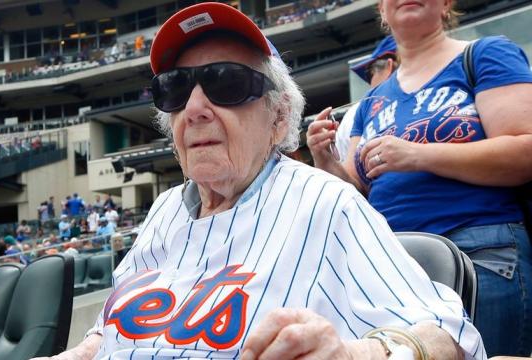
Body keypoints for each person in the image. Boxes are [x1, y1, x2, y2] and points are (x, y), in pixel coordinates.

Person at [33, 3, 483, 360]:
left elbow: (449, 334)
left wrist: (356, 353)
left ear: (279, 117)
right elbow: (111, 331)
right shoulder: (164, 210)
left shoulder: (324, 203)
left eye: (226, 83)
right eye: (174, 87)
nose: (195, 108)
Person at [307, 0, 532, 356]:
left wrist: (419, 155)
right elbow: (358, 191)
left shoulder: (486, 55)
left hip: (480, 253)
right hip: (392, 268)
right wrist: (325, 161)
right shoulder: (371, 101)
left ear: (446, 4)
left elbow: (525, 151)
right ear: (382, 12)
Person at [333, 35, 398, 160]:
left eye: (370, 74)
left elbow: (344, 173)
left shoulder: (357, 111)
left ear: (388, 67)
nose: (369, 83)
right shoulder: (436, 95)